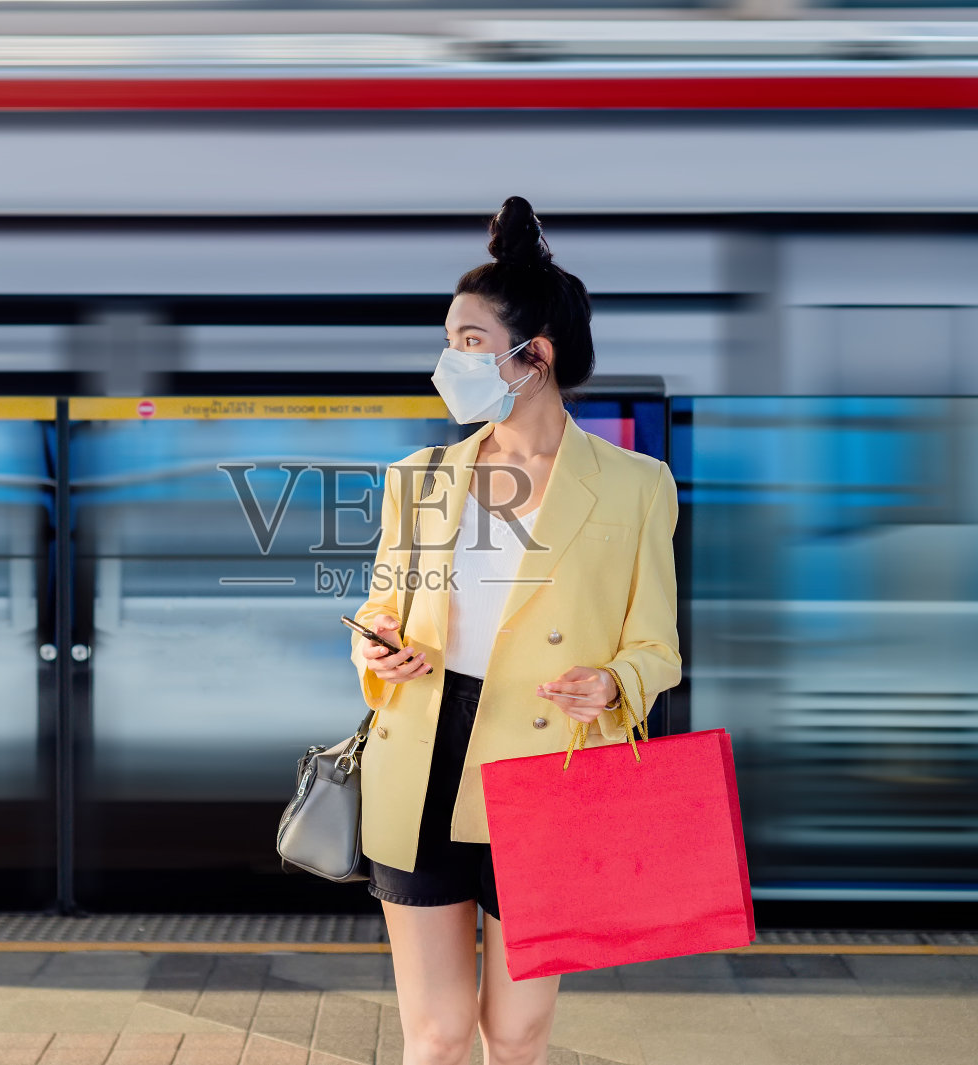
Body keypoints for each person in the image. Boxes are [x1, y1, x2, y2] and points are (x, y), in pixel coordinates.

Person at [347, 196, 682, 1065]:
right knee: (436, 1032)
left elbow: (657, 647)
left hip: (553, 761)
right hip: (424, 749)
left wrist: (616, 682)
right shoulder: (420, 477)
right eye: (448, 341)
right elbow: (379, 609)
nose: (449, 362)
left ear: (537, 354)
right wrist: (379, 643)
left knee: (519, 1030)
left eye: (469, 341)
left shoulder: (637, 485)